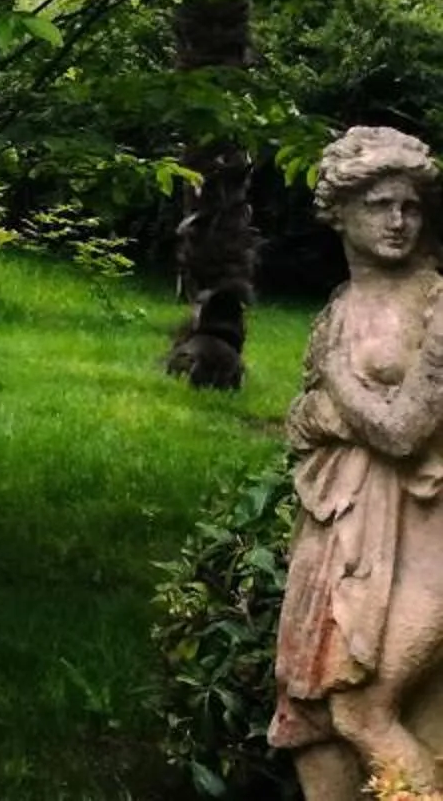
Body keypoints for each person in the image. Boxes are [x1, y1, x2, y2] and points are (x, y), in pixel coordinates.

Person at [274, 125, 443, 801]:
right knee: (317, 722)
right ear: (340, 213)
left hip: (423, 537)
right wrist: (326, 412)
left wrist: (338, 388)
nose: (399, 220)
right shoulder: (338, 309)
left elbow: (404, 430)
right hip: (339, 530)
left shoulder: (436, 304)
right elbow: (299, 425)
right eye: (380, 205)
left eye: (410, 205)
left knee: (364, 710)